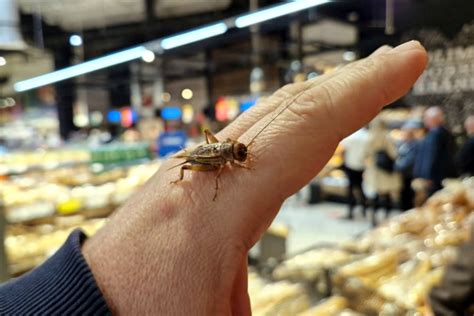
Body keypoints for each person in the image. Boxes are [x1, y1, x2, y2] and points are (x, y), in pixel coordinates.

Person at [0, 41, 428, 315]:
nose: (241, 154)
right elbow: (219, 167)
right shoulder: (222, 159)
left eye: (238, 152)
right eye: (239, 150)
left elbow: (237, 157)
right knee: (195, 165)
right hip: (200, 159)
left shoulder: (235, 152)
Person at [363, 117, 401, 226]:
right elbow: (393, 154)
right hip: (385, 170)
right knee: (387, 193)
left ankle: (373, 218)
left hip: (373, 170)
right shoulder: (387, 137)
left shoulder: (369, 137)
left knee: (374, 194)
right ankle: (386, 217)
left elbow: (365, 155)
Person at [413, 106, 457, 197]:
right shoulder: (443, 132)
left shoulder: (435, 134)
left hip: (435, 178)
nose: (424, 120)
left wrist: (428, 176)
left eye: (426, 117)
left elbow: (430, 156)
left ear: (433, 119)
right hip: (442, 176)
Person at [340, 128, 369, 219]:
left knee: (351, 188)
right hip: (361, 165)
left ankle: (351, 211)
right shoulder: (367, 136)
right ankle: (364, 209)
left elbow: (343, 149)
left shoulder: (352, 136)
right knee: (360, 187)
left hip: (351, 165)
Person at [394, 120, 421, 211]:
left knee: (407, 195)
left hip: (409, 174)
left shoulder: (414, 145)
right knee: (403, 194)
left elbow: (408, 161)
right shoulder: (403, 144)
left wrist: (395, 167)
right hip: (402, 174)